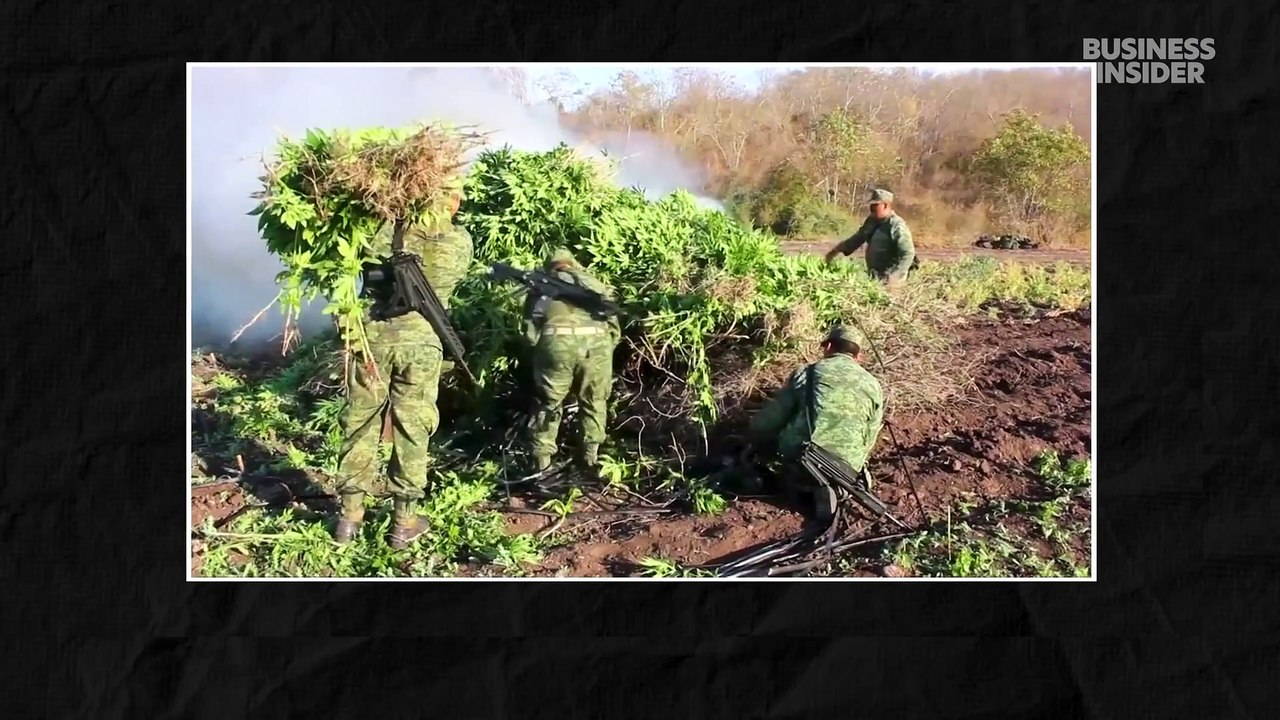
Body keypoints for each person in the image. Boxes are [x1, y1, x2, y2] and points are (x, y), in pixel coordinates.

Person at [332, 190, 474, 548]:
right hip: (423, 341)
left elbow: (353, 257)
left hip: (371, 339)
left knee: (359, 420)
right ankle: (403, 522)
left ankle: (349, 518)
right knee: (414, 426)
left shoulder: (380, 231)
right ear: (451, 203)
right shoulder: (459, 240)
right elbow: (451, 281)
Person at [747, 324, 886, 520]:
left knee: (772, 448)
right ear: (858, 356)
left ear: (828, 347)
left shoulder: (807, 373)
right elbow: (870, 435)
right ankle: (836, 487)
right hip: (848, 467)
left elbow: (772, 419)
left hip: (805, 460)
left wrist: (753, 431)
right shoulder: (873, 385)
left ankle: (805, 486)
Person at [523, 247, 621, 473]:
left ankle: (542, 465)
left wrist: (540, 355)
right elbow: (614, 327)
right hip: (597, 345)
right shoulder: (595, 283)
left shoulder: (541, 285)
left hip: (558, 345)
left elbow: (529, 332)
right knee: (595, 400)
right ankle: (590, 460)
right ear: (574, 263)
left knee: (548, 402)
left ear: (550, 266)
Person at [823, 189, 916, 286]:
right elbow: (858, 238)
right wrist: (837, 250)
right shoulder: (872, 221)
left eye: (875, 205)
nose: (871, 208)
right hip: (874, 277)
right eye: (871, 205)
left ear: (885, 205)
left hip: (891, 281)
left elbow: (908, 254)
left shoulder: (896, 226)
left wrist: (894, 277)